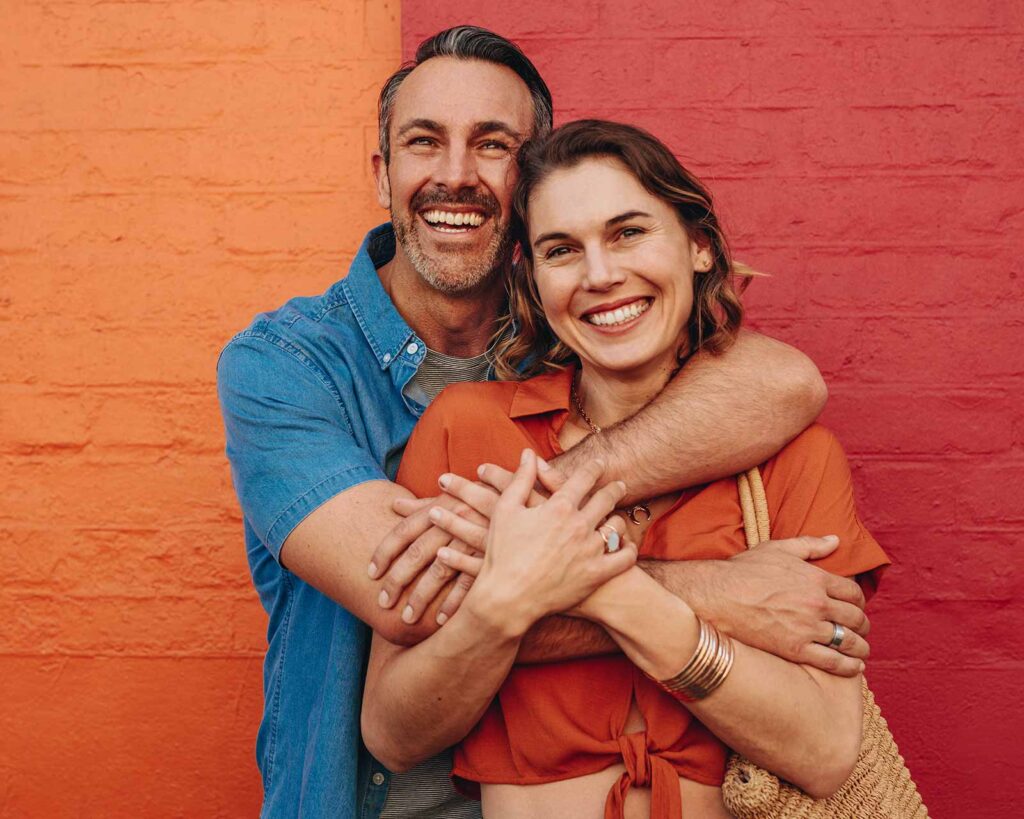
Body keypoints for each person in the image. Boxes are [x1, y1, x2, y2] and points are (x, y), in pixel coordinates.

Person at [217, 26, 861, 819]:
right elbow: (415, 602)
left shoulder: (578, 351)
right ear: (382, 170)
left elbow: (789, 382)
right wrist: (721, 595)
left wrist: (539, 529)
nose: (454, 175)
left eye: (491, 144)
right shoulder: (288, 365)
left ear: (528, 180)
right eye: (424, 142)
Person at [361, 120, 889, 818]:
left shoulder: (793, 454)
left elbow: (823, 751)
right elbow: (395, 733)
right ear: (533, 280)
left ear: (699, 246)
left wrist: (591, 584)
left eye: (628, 232)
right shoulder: (468, 431)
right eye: (560, 250)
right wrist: (524, 600)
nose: (600, 275)